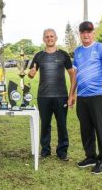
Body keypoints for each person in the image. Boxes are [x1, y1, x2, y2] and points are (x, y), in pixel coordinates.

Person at [68, 21, 102, 175]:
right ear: (80, 34)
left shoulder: (100, 47)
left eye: (89, 32)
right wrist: (71, 95)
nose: (86, 35)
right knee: (86, 129)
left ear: (93, 33)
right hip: (82, 96)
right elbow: (75, 75)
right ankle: (90, 157)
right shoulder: (78, 51)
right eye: (83, 32)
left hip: (97, 96)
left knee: (100, 128)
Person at [28, 28, 75, 161]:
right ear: (44, 39)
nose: (49, 39)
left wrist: (72, 94)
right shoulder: (38, 56)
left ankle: (62, 151)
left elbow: (72, 74)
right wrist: (30, 74)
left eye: (51, 36)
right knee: (45, 124)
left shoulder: (63, 55)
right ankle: (45, 150)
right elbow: (31, 74)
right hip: (43, 96)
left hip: (61, 96)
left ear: (56, 38)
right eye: (47, 37)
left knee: (62, 124)